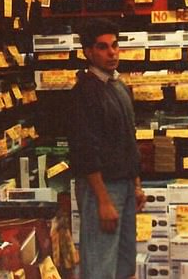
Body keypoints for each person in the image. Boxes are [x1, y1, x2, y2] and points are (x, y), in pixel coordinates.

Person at [68, 18, 146, 279]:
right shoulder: (84, 92)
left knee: (125, 265)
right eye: (102, 47)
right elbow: (85, 151)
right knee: (100, 267)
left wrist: (135, 184)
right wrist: (103, 200)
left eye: (114, 46)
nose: (112, 52)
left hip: (123, 186)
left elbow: (129, 139)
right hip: (101, 189)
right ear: (88, 52)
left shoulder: (118, 86)